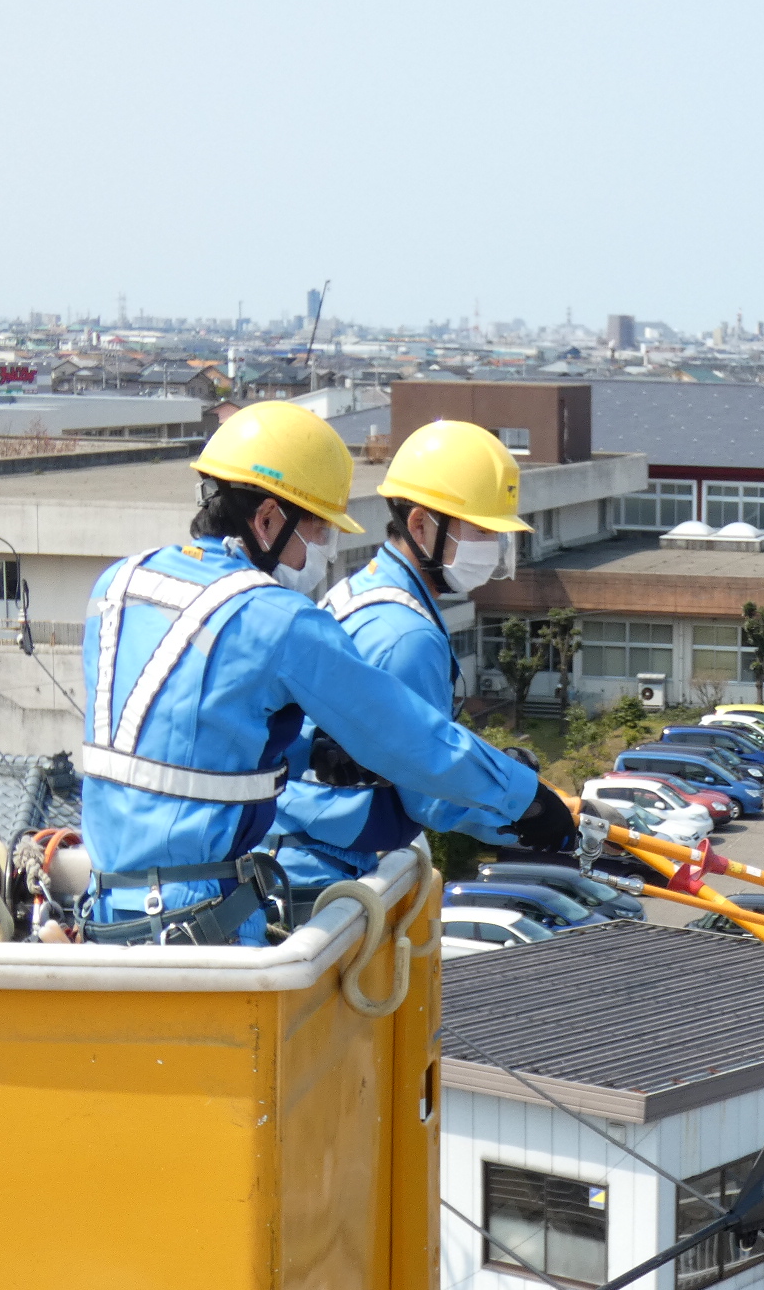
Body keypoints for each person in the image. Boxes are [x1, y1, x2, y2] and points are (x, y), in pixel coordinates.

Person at [76, 401, 568, 944]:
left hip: (107, 908)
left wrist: (311, 753)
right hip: (201, 920)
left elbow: (187, 737)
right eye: (317, 527)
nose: (324, 549)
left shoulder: (119, 584)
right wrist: (527, 799)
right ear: (266, 520)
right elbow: (413, 741)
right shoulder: (277, 618)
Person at [266, 420, 536, 902]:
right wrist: (531, 814)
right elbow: (431, 786)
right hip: (315, 875)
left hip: (295, 850)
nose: (491, 548)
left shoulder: (365, 590)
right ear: (419, 525)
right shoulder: (406, 636)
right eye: (480, 530)